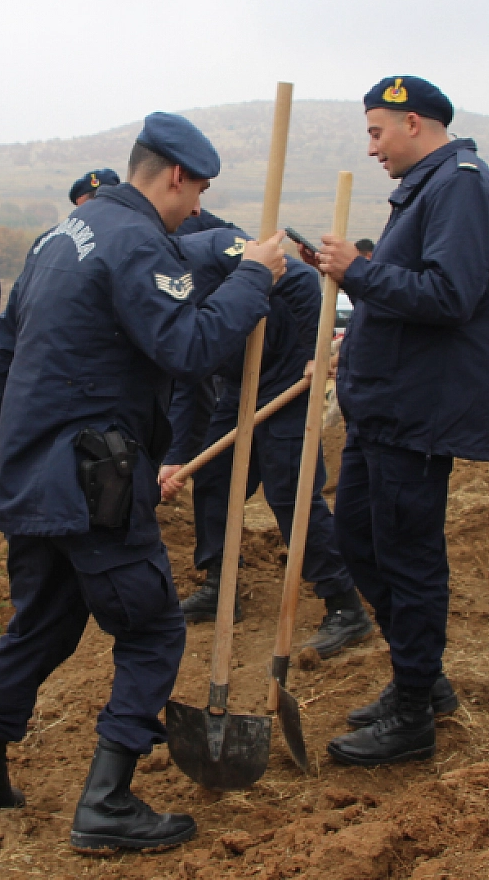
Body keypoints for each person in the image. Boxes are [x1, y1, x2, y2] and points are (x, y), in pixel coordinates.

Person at [0, 112, 283, 854]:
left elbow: (0, 353)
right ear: (172, 177)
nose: (197, 207)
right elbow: (189, 344)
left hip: (33, 474)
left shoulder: (64, 234)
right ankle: (108, 800)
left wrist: (12, 445)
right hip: (93, 477)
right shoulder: (133, 240)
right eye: (196, 192)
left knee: (43, 624)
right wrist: (255, 276)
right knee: (154, 628)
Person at [306, 75, 489, 767]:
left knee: (407, 555)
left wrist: (358, 271)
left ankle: (414, 706)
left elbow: (449, 294)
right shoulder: (430, 188)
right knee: (363, 543)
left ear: (416, 124)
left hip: (419, 411)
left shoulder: (461, 186)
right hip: (384, 406)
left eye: (376, 131)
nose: (371, 148)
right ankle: (420, 680)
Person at [159, 227, 374, 658]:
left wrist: (316, 347)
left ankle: (345, 605)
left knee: (289, 490)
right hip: (240, 380)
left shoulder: (209, 250)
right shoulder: (153, 288)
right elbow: (187, 370)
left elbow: (294, 276)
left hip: (288, 371)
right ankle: (222, 587)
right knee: (214, 475)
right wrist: (177, 457)